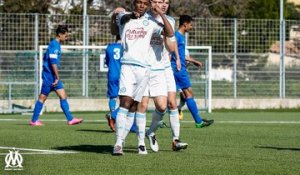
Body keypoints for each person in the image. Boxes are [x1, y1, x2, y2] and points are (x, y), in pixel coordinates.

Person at [113, 0, 174, 155]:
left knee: (135, 106)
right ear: (134, 3)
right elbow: (115, 28)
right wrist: (115, 16)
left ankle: (141, 142)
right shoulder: (125, 17)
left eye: (144, 3)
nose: (141, 5)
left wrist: (160, 13)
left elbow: (170, 33)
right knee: (125, 103)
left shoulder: (150, 22)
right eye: (138, 2)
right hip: (127, 66)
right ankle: (118, 143)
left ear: (147, 6)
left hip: (144, 69)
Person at [145, 0, 188, 152]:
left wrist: (176, 57)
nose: (162, 5)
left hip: (165, 67)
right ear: (151, 3)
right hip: (148, 68)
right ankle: (150, 132)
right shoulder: (143, 18)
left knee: (172, 103)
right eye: (158, 1)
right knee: (161, 107)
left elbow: (171, 44)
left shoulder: (169, 20)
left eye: (166, 2)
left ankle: (175, 140)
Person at [29, 25, 83, 126]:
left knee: (63, 96)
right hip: (49, 76)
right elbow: (53, 63)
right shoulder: (54, 45)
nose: (66, 38)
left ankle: (70, 119)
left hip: (53, 76)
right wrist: (57, 77)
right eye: (65, 36)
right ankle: (34, 120)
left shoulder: (57, 45)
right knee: (42, 98)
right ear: (60, 34)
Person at [171, 15, 214, 128]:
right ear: (185, 24)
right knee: (187, 93)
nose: (191, 27)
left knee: (181, 94)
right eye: (190, 24)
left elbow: (180, 55)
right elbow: (173, 54)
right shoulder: (177, 36)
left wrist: (193, 61)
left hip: (178, 68)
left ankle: (198, 120)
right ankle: (198, 121)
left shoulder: (180, 36)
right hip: (178, 69)